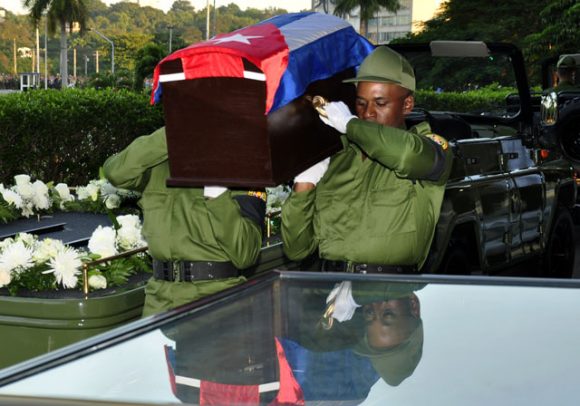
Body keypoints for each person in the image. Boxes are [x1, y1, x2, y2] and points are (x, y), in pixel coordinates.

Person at [281, 46, 453, 273]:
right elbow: (296, 250)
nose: (368, 113)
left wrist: (350, 125)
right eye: (361, 103)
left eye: (380, 103)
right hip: (329, 292)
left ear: (407, 105)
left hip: (387, 294)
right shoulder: (338, 158)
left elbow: (406, 155)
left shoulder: (428, 147)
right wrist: (304, 184)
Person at [103, 127, 266, 316]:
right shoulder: (160, 159)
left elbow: (246, 253)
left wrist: (217, 192)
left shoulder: (244, 164)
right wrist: (173, 133)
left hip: (217, 301)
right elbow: (116, 172)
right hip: (159, 301)